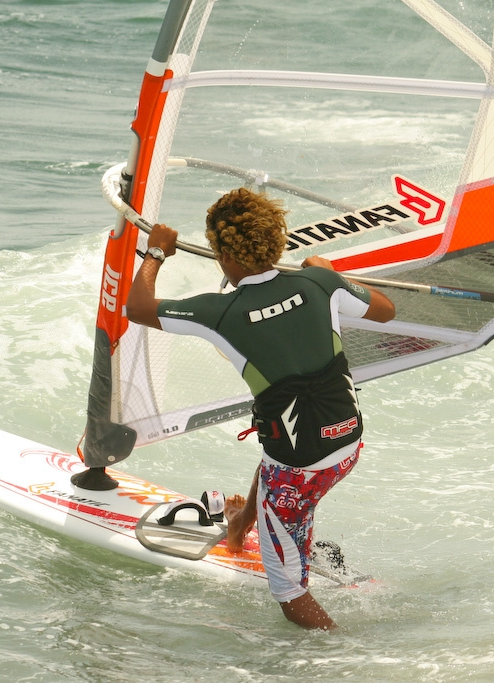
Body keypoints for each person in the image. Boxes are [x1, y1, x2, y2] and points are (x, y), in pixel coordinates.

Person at [126, 188, 395, 630]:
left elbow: (137, 307)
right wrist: (328, 273)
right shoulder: (318, 283)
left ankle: (347, 654)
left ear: (225, 256)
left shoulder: (217, 310)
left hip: (298, 470)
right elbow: (385, 310)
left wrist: (156, 251)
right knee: (275, 451)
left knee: (288, 592)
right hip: (347, 444)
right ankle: (242, 525)